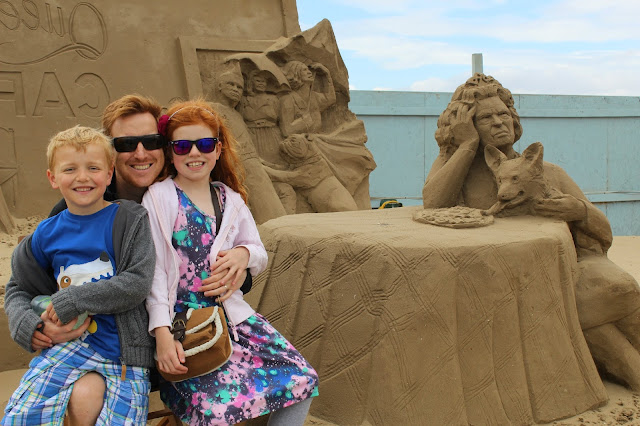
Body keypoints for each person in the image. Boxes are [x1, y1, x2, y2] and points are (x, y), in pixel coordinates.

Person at [4, 94, 253, 423]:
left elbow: (219, 266)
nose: (140, 152)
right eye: (125, 144)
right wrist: (33, 325)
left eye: (150, 141)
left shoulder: (189, 195)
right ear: (111, 155)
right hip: (105, 346)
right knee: (83, 396)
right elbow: (22, 285)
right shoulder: (78, 208)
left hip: (182, 340)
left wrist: (242, 258)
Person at [422, 73, 640, 389]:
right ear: (467, 125)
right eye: (486, 118)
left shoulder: (547, 172)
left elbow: (603, 234)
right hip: (502, 276)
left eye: (503, 114)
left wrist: (579, 211)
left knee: (616, 288)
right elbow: (432, 202)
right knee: (583, 307)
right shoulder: (457, 172)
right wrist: (467, 145)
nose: (499, 122)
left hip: (571, 265)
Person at [142, 99, 319, 425]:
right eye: (182, 146)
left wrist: (244, 255)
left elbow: (258, 251)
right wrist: (162, 335)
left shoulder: (230, 199)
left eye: (204, 144)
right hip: (185, 327)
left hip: (234, 320)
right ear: (170, 152)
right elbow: (154, 272)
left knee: (302, 379)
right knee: (217, 411)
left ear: (218, 148)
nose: (194, 153)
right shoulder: (159, 197)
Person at [2, 126, 156, 425]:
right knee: (21, 416)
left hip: (123, 356)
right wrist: (26, 325)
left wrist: (73, 299)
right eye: (70, 169)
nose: (82, 177)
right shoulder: (46, 233)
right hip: (66, 348)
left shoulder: (130, 220)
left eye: (93, 168)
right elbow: (19, 287)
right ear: (53, 178)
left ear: (109, 175)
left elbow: (137, 282)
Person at [279, 61, 336, 138]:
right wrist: (304, 121)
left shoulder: (314, 97)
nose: (309, 72)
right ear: (295, 74)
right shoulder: (287, 100)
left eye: (308, 70)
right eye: (304, 70)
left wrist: (327, 74)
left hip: (317, 139)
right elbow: (287, 130)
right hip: (299, 141)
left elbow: (331, 98)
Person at [239, 70, 284, 165]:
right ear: (251, 83)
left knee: (275, 161)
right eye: (258, 81)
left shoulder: (273, 99)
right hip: (252, 135)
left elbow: (281, 120)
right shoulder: (244, 100)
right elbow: (239, 120)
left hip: (271, 135)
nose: (261, 83)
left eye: (263, 81)